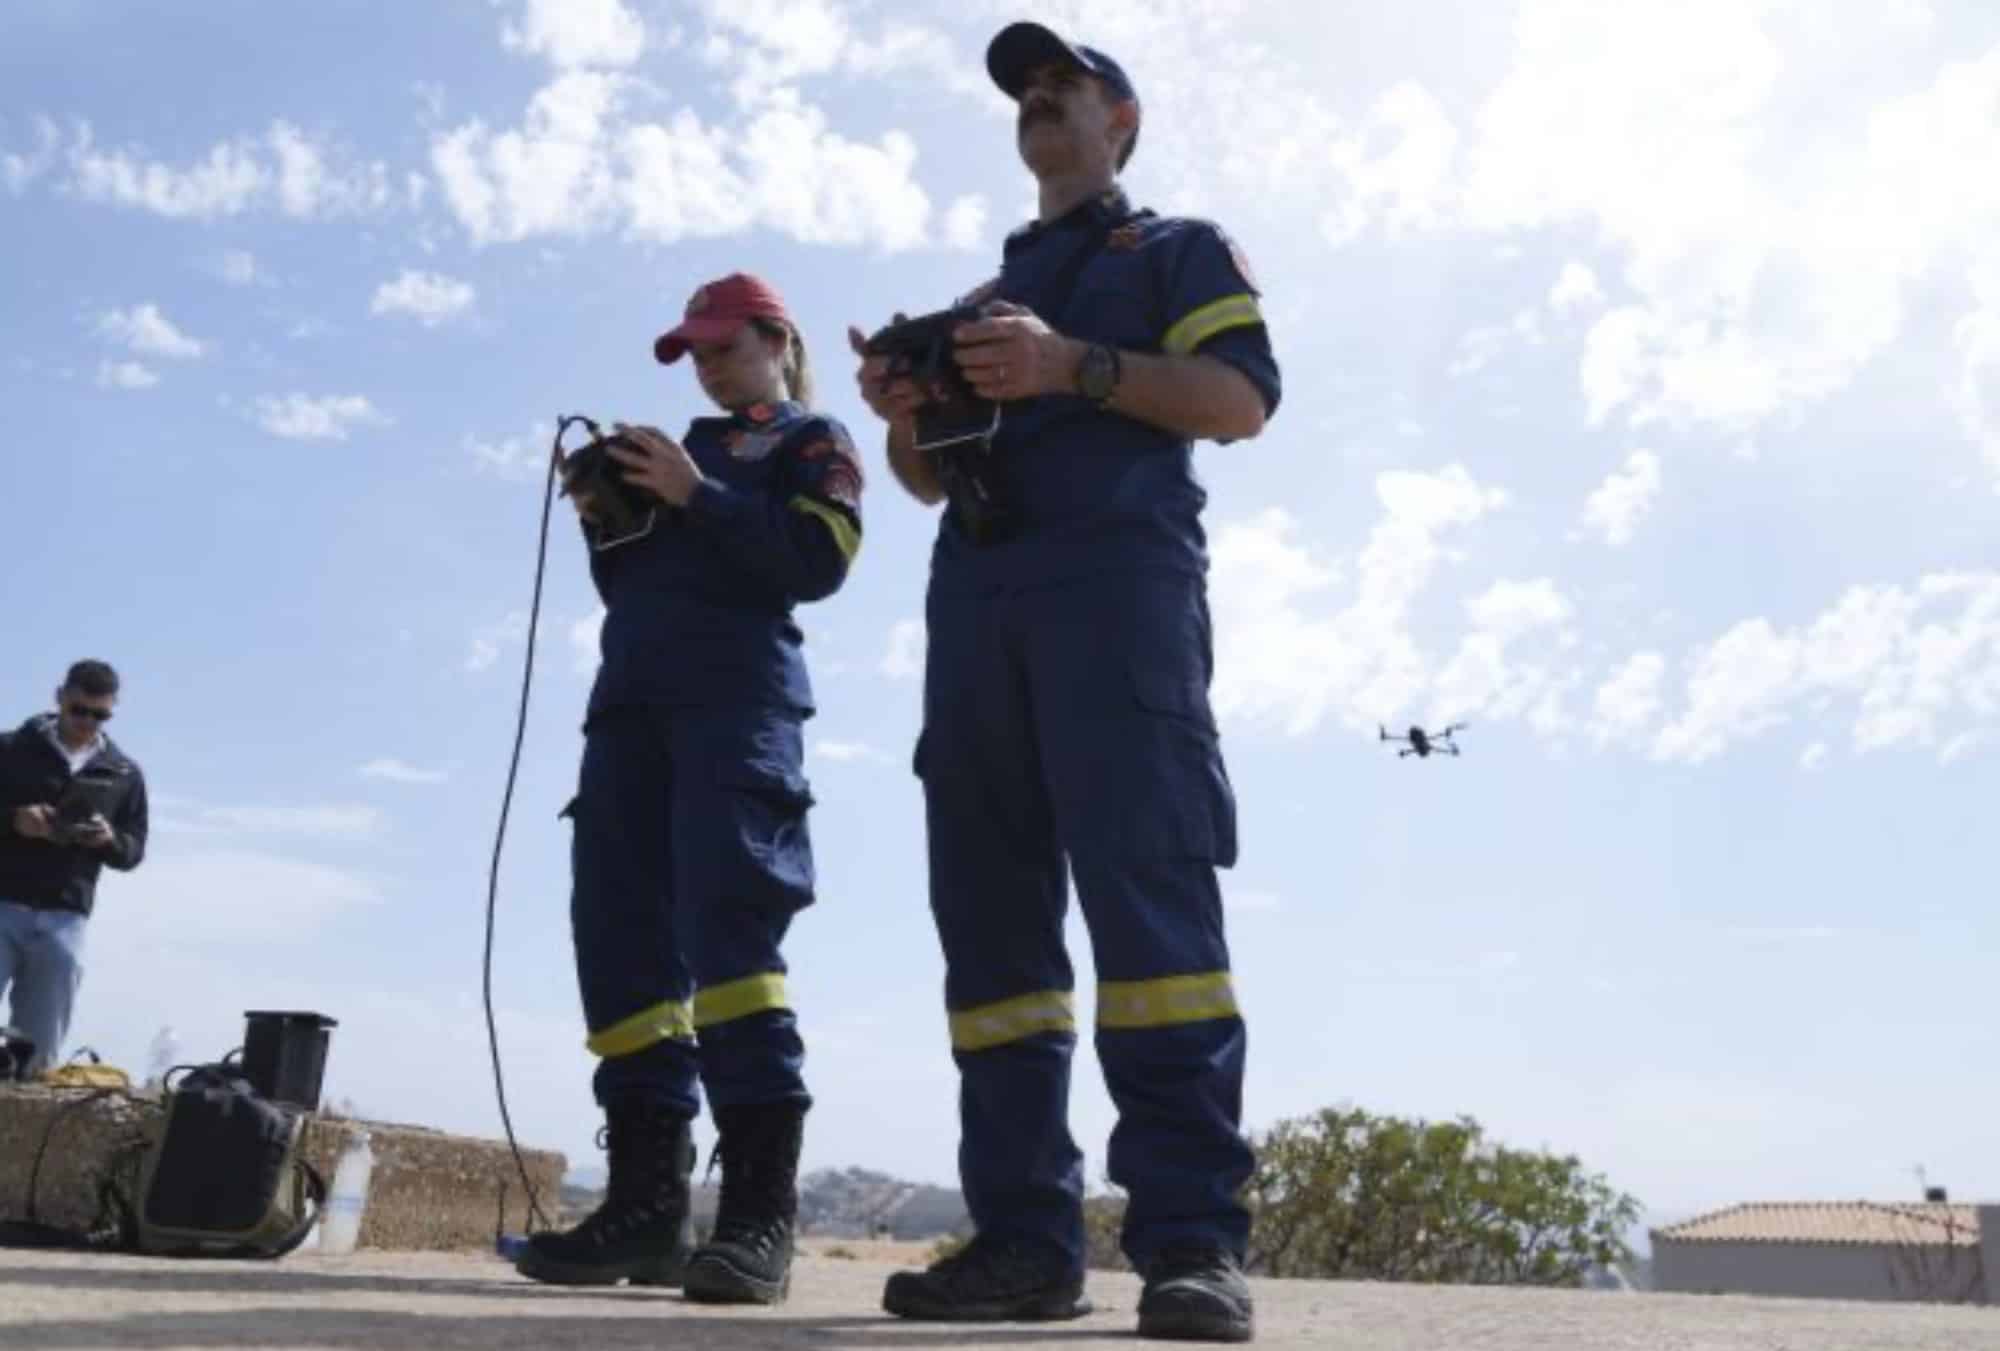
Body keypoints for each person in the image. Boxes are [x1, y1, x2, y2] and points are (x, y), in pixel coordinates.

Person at [848, 21, 1280, 1345]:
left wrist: (1073, 364)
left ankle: (1193, 1244)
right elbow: (924, 482)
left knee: (1152, 922)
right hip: (977, 617)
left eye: (1065, 85)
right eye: (1025, 93)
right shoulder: (981, 302)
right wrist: (903, 412)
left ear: (1122, 121)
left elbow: (1243, 395)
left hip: (1119, 605)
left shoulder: (1177, 251)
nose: (1039, 102)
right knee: (995, 943)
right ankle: (1027, 1241)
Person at [515, 273, 864, 1307]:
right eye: (694, 353)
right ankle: (644, 1210)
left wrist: (694, 497)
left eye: (721, 347)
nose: (706, 367)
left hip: (737, 709)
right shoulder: (678, 448)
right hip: (628, 711)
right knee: (618, 949)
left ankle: (756, 1216)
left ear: (775, 339)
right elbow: (635, 585)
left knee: (730, 947)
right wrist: (605, 510)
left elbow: (817, 558)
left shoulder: (811, 442)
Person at [0, 660, 149, 1076]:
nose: (87, 722)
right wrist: (15, 820)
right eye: (79, 710)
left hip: (66, 917)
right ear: (60, 697)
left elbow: (133, 851)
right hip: (3, 900)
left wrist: (108, 839)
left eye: (99, 715)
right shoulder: (10, 749)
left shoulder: (125, 773)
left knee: (38, 1047)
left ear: (112, 710)